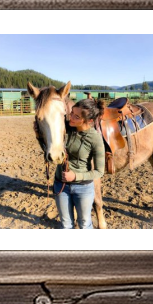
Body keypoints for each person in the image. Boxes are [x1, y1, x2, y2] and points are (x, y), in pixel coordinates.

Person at [54, 98, 105, 229]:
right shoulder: (65, 128)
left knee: (84, 223)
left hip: (83, 188)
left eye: (76, 116)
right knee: (65, 224)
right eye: (71, 113)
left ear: (89, 121)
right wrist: (38, 134)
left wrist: (75, 176)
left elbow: (99, 171)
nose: (70, 117)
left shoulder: (95, 138)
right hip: (61, 184)